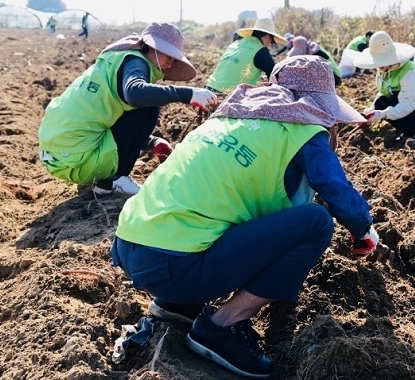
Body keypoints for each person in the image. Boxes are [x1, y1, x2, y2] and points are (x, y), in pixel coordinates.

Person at [110, 55, 379, 378]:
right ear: (319, 106)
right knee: (316, 223)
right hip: (176, 267)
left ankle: (175, 305)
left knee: (224, 206)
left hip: (130, 245)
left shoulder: (231, 115)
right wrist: (363, 229)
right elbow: (337, 191)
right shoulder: (304, 131)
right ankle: (224, 325)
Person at [38, 22, 218, 196]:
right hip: (78, 159)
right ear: (151, 48)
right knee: (148, 106)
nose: (170, 63)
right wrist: (189, 94)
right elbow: (135, 93)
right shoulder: (136, 62)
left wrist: (151, 142)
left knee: (139, 103)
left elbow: (118, 119)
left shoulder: (117, 59)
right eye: (168, 56)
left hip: (57, 155)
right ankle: (113, 181)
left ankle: (106, 179)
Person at [352, 31, 415, 143]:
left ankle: (412, 131)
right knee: (381, 102)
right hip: (412, 104)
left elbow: (408, 103)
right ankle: (409, 128)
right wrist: (369, 113)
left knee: (395, 98)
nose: (380, 65)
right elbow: (384, 93)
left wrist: (384, 114)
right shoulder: (382, 72)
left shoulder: (409, 71)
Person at [205, 17, 288, 95]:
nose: (269, 44)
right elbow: (275, 76)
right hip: (227, 95)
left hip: (208, 90)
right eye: (271, 40)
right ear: (267, 36)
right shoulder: (260, 50)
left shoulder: (235, 44)